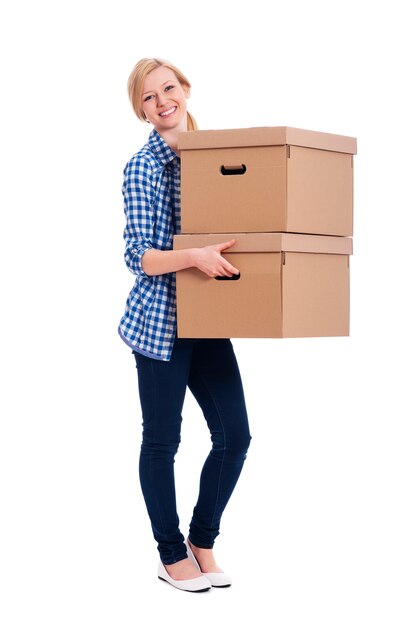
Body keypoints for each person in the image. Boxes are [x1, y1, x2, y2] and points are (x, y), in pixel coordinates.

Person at [118, 58, 251, 593]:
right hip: (159, 324)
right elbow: (137, 255)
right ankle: (170, 554)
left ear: (186, 89)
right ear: (141, 110)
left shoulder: (216, 158)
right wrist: (192, 255)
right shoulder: (143, 166)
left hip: (208, 316)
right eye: (148, 97)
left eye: (167, 88)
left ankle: (202, 542)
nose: (162, 101)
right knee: (162, 441)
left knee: (235, 436)